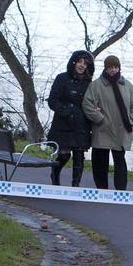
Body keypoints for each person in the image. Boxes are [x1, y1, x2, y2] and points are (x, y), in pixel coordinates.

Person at [82, 54, 133, 190]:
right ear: (105, 68)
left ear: (119, 68)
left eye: (115, 67)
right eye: (110, 67)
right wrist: (100, 119)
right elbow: (87, 104)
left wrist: (131, 119)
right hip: (102, 129)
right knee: (100, 162)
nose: (113, 70)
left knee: (120, 161)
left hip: (122, 130)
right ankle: (102, 189)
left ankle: (120, 191)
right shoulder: (96, 85)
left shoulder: (127, 85)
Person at [46, 50, 94, 186]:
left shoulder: (89, 83)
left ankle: (75, 186)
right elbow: (52, 101)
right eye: (79, 62)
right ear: (74, 62)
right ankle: (55, 177)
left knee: (79, 156)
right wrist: (68, 111)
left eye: (85, 63)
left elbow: (92, 102)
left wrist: (95, 109)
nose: (82, 65)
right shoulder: (62, 78)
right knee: (64, 155)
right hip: (63, 124)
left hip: (81, 125)